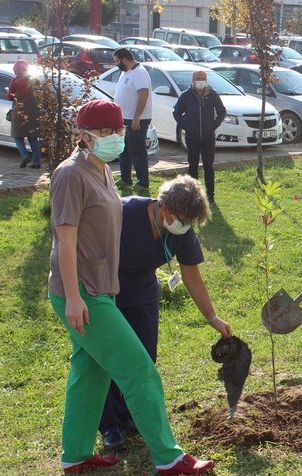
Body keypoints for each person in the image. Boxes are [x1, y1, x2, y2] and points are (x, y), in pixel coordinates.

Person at [47, 99, 214, 475]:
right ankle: (169, 458)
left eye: (118, 130)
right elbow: (65, 240)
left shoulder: (102, 170)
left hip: (102, 289)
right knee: (140, 371)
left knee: (89, 373)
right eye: (105, 131)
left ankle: (74, 454)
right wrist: (73, 297)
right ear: (84, 135)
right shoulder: (71, 174)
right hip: (84, 292)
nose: (115, 137)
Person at [98, 175, 233, 452]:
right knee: (110, 358)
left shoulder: (183, 233)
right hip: (108, 288)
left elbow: (192, 277)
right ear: (164, 208)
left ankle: (130, 413)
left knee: (145, 358)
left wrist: (213, 317)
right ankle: (109, 426)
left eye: (191, 222)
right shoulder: (123, 212)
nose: (185, 226)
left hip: (144, 291)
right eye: (182, 219)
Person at [173, 70, 227, 204]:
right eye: (198, 78)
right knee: (193, 166)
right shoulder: (186, 95)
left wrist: (213, 125)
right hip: (192, 137)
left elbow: (222, 111)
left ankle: (210, 195)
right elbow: (177, 112)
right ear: (193, 80)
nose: (201, 80)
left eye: (203, 78)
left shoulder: (212, 94)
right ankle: (193, 194)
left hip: (208, 137)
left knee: (209, 166)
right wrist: (186, 126)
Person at [113, 47, 153, 193]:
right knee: (124, 151)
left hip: (136, 120)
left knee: (137, 150)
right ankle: (125, 178)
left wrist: (137, 117)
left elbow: (143, 95)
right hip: (124, 119)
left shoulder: (139, 72)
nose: (116, 64)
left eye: (117, 61)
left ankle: (143, 182)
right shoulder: (125, 72)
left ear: (125, 60)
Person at [7, 59, 42, 169]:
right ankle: (37, 162)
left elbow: (9, 97)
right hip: (33, 111)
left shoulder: (15, 80)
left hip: (19, 111)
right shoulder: (34, 80)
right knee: (33, 137)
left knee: (17, 136)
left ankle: (24, 156)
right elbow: (40, 95)